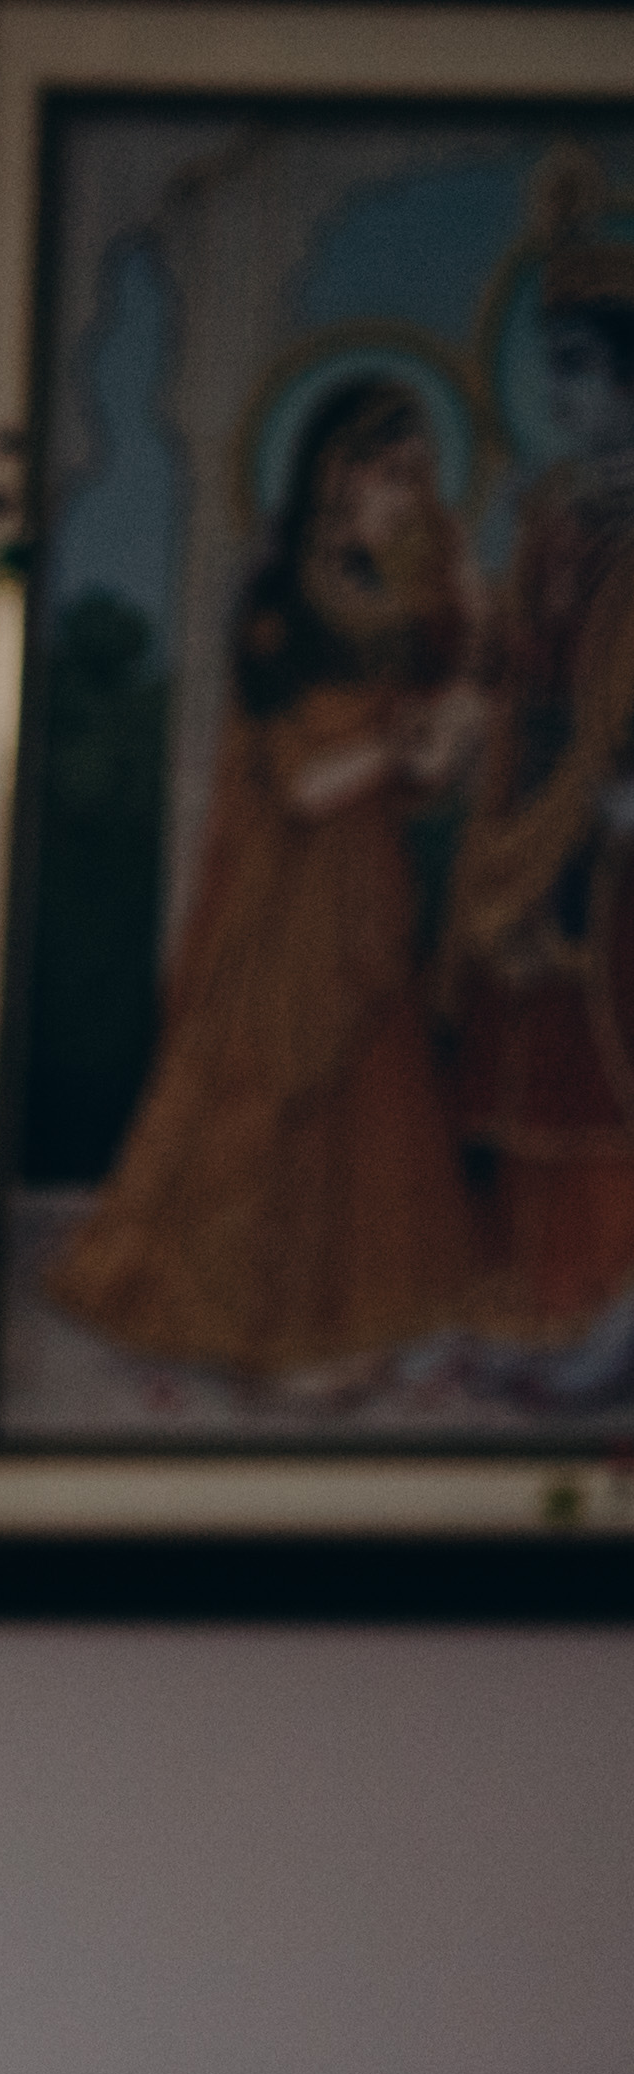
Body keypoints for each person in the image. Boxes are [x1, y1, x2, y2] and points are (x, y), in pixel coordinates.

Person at [44, 372, 486, 1376]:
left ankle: (340, 1321)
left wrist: (451, 699)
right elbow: (301, 782)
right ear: (337, 471)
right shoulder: (280, 601)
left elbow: (417, 774)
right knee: (267, 1108)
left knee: (364, 1116)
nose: (409, 498)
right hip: (286, 909)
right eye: (392, 473)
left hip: (366, 897)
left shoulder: (389, 603)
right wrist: (407, 735)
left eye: (418, 476)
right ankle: (264, 1333)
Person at [449, 168, 634, 1342]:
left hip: (619, 833)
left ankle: (606, 1304)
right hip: (534, 817)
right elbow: (516, 667)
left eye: (576, 365)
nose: (554, 390)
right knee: (527, 1043)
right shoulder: (551, 514)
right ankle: (537, 1297)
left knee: (605, 1054)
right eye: (549, 365)